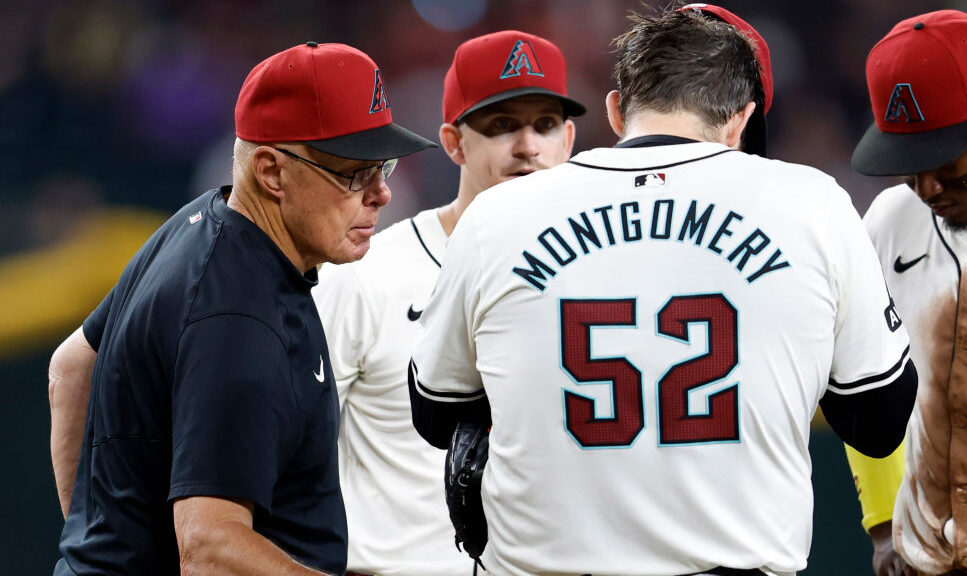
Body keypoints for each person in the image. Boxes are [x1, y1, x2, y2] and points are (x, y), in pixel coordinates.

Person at [407, 6, 917, 576]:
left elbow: (435, 412)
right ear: (740, 120)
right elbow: (879, 421)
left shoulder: (498, 214)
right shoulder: (811, 202)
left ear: (616, 110)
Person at [46, 41, 436, 576]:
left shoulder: (200, 222)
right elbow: (210, 549)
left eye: (383, 166)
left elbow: (70, 369)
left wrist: (96, 547)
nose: (382, 193)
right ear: (272, 172)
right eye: (354, 173)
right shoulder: (238, 321)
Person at [312, 30, 584, 576]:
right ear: (455, 143)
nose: (528, 146)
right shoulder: (369, 274)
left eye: (544, 125)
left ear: (569, 139)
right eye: (502, 125)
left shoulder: (592, 284)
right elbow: (289, 455)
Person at [846, 9, 967, 576]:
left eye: (943, 164)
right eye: (908, 166)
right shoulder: (892, 221)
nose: (926, 188)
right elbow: (858, 375)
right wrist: (882, 525)